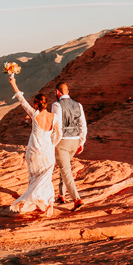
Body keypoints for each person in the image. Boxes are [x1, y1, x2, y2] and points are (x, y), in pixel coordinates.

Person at [7, 74, 61, 217]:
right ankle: (49, 203)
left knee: (35, 179)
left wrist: (13, 83)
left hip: (34, 152)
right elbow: (59, 134)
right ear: (46, 103)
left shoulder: (34, 114)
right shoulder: (53, 117)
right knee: (46, 179)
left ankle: (39, 202)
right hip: (47, 152)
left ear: (36, 104)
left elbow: (21, 99)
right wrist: (52, 144)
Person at [52, 82, 87, 210]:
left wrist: (54, 142)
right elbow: (83, 125)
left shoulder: (56, 105)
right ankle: (61, 194)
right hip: (75, 140)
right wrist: (81, 142)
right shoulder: (78, 105)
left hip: (63, 141)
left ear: (57, 92)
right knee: (64, 167)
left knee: (65, 170)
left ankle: (77, 199)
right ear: (68, 91)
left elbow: (57, 126)